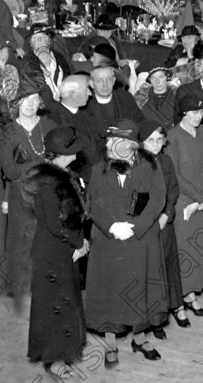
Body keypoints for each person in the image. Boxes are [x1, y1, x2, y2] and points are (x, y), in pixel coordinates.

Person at [85, 120, 167, 367]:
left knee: (139, 288)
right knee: (110, 292)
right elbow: (92, 203)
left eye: (116, 141)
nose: (110, 145)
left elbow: (158, 198)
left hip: (140, 239)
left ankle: (139, 337)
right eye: (109, 141)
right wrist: (111, 227)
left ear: (131, 145)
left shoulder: (151, 165)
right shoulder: (99, 168)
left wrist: (137, 227)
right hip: (109, 239)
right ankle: (110, 343)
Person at [25, 126, 87, 380]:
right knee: (53, 306)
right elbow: (56, 223)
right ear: (64, 153)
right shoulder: (50, 182)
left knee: (65, 303)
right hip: (52, 252)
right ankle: (52, 361)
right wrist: (78, 243)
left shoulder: (65, 174)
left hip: (62, 249)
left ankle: (63, 352)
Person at [0, 78, 56, 300]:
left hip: (48, 195)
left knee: (47, 240)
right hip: (20, 196)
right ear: (16, 104)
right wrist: (44, 167)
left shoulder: (50, 127)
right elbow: (11, 171)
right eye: (25, 100)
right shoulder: (8, 133)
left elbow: (60, 160)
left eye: (34, 99)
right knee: (22, 241)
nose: (30, 104)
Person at [165, 94, 203, 327]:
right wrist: (197, 198)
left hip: (202, 201)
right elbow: (175, 175)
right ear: (183, 113)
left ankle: (191, 295)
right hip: (184, 201)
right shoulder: (172, 137)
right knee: (183, 252)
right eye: (193, 112)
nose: (198, 116)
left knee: (196, 250)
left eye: (201, 112)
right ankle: (179, 303)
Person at [139, 120, 182, 340]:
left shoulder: (166, 161)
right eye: (150, 140)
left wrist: (167, 214)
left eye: (159, 140)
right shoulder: (136, 163)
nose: (155, 144)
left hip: (165, 224)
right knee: (150, 273)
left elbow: (173, 191)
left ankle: (164, 313)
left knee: (167, 268)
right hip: (146, 226)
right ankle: (149, 320)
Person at [43, 75, 99, 181]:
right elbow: (68, 158)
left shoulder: (79, 112)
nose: (90, 93)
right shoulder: (58, 119)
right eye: (86, 89)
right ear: (73, 93)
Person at [80, 65, 145, 154]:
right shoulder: (83, 104)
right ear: (91, 83)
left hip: (128, 148)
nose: (105, 84)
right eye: (99, 81)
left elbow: (140, 122)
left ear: (114, 81)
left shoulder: (125, 97)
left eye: (108, 79)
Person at [20, 24, 71, 102]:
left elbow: (69, 78)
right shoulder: (27, 63)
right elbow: (38, 90)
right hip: (44, 105)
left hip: (66, 100)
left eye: (43, 37)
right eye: (35, 38)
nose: (39, 40)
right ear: (30, 43)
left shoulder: (59, 57)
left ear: (50, 40)